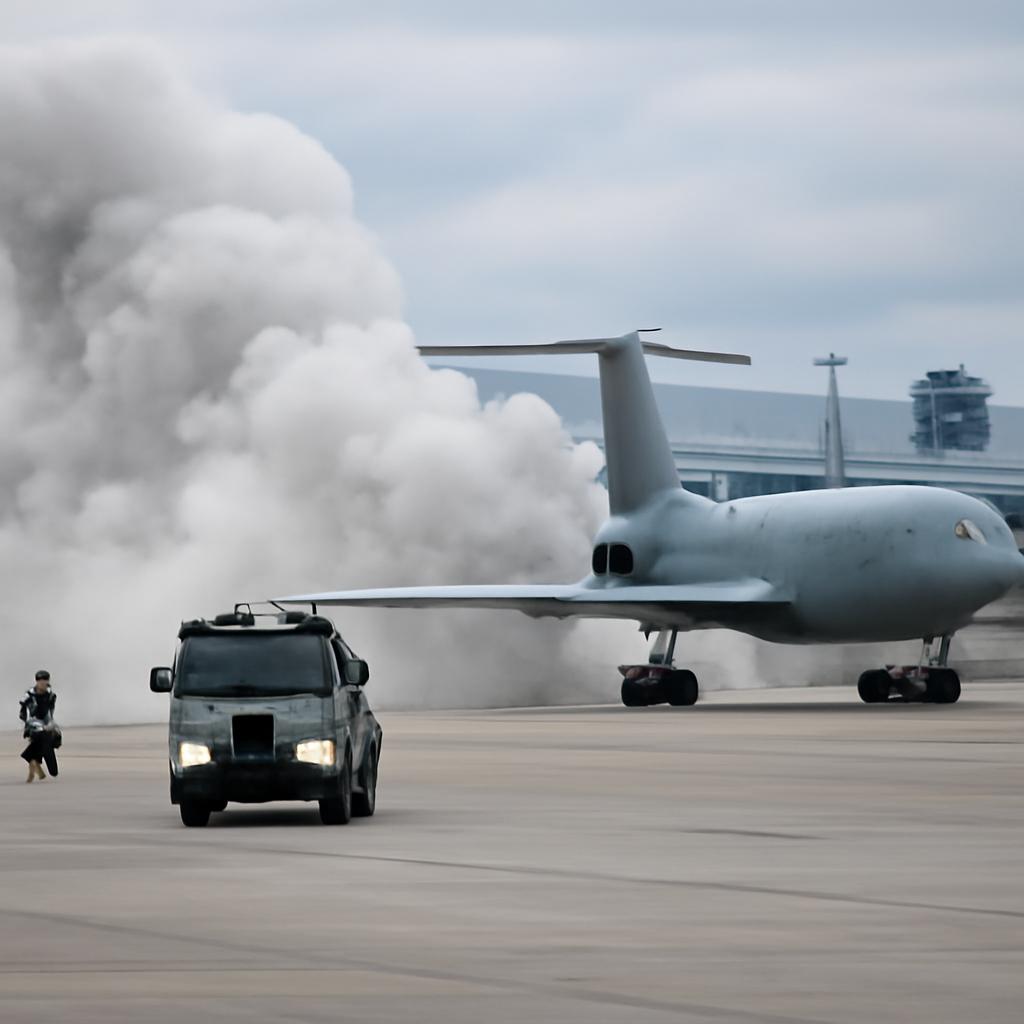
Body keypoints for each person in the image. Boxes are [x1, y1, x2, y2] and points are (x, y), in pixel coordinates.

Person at [20, 670, 60, 781]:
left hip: (46, 723)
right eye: (40, 680)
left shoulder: (51, 696)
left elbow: (50, 714)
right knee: (44, 736)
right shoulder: (29, 696)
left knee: (54, 736)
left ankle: (33, 759)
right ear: (37, 681)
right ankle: (35, 761)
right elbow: (24, 714)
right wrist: (34, 726)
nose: (43, 683)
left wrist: (51, 726)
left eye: (45, 680)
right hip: (33, 724)